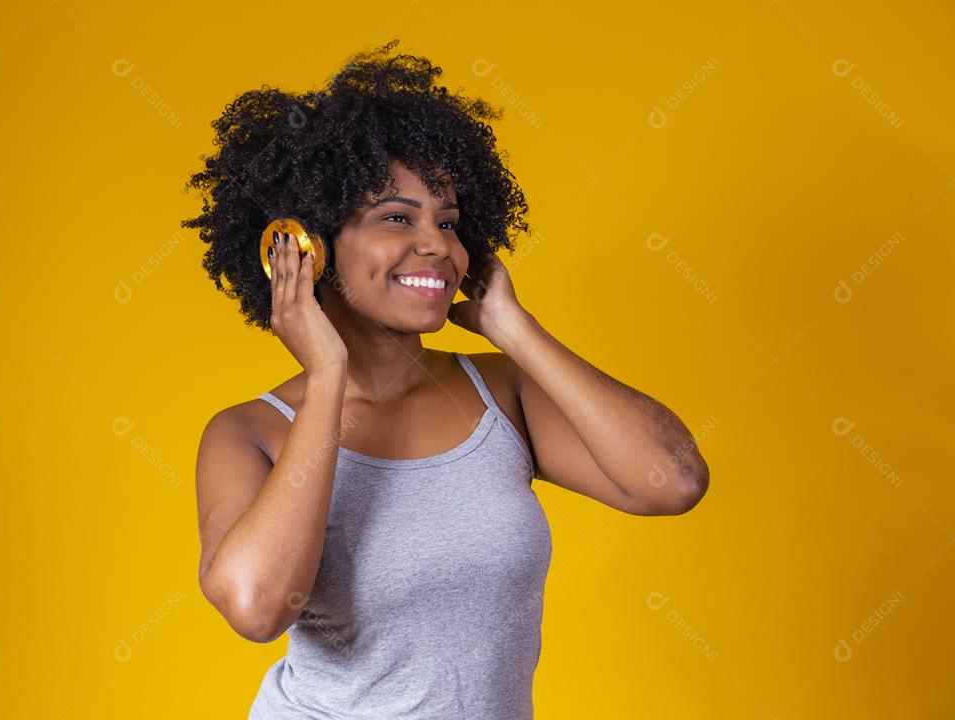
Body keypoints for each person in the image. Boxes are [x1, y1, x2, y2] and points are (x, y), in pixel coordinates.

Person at [184, 39, 710, 719]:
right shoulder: (249, 432)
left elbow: (673, 482)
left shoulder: (503, 395)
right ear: (306, 244)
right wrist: (327, 375)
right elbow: (257, 608)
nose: (438, 245)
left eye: (450, 223)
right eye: (397, 218)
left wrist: (513, 329)